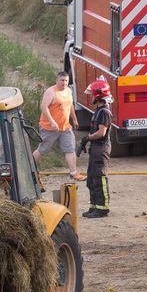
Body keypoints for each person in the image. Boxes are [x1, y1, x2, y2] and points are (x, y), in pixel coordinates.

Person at [33, 70, 84, 181]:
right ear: (57, 80)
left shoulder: (69, 91)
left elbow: (70, 105)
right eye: (62, 80)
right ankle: (30, 169)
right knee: (42, 150)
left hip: (65, 127)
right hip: (49, 128)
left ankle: (73, 173)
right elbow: (44, 107)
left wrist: (74, 119)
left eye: (66, 80)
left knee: (70, 149)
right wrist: (52, 121)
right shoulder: (51, 92)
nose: (64, 83)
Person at [80, 79, 113, 218]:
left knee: (100, 178)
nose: (92, 97)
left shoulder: (104, 112)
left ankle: (102, 208)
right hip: (96, 148)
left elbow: (102, 132)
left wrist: (88, 137)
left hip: (101, 148)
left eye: (93, 94)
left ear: (98, 95)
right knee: (92, 178)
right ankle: (94, 206)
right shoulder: (98, 110)